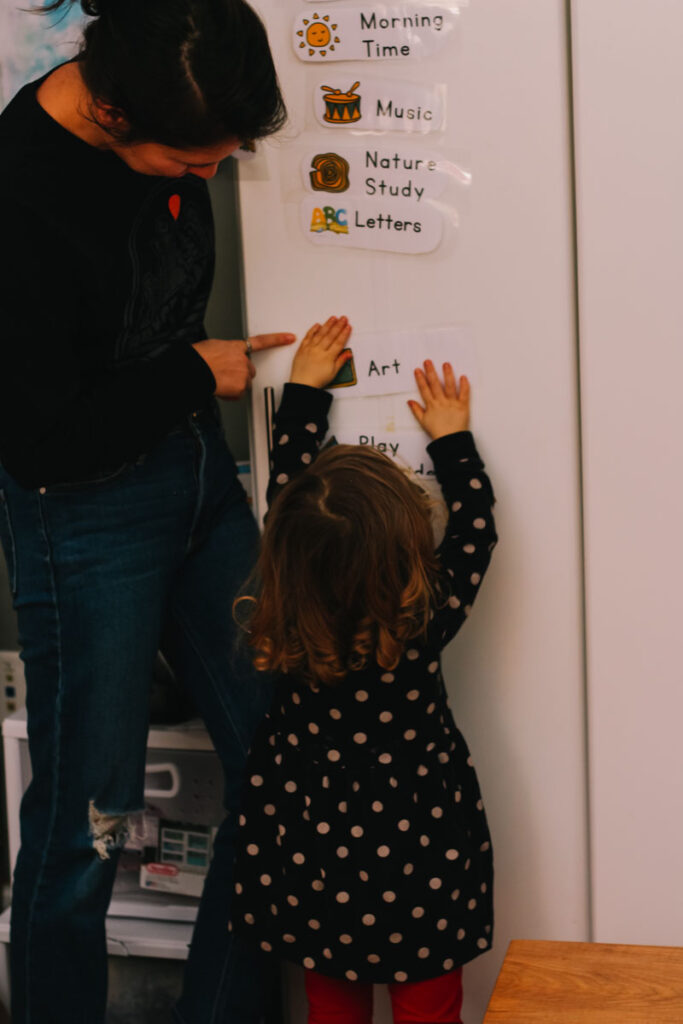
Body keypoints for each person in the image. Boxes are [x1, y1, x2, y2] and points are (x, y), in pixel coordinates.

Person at [0, 1, 294, 1021]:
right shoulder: (19, 204)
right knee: (86, 826)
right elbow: (38, 439)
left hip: (197, 477)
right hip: (81, 515)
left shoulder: (177, 67)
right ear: (114, 114)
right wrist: (187, 374)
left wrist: (183, 396)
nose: (208, 177)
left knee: (287, 757)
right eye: (189, 161)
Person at [231, 317, 498, 1024]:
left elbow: (289, 494)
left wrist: (302, 395)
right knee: (428, 1005)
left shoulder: (285, 614)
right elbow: (476, 525)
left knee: (332, 1003)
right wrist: (450, 440)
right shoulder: (422, 621)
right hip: (419, 848)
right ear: (409, 548)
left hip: (316, 853)